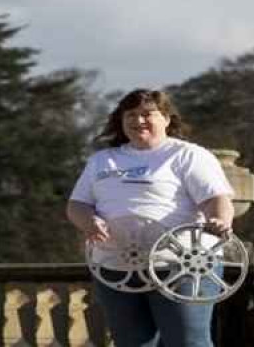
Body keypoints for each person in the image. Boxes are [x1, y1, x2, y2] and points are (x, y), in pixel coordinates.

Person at [66, 89, 234, 347]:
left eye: (147, 114)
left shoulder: (188, 155)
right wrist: (88, 221)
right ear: (121, 121)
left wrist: (220, 220)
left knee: (188, 342)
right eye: (131, 115)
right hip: (115, 267)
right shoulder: (101, 160)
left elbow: (216, 199)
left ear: (166, 118)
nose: (138, 121)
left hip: (181, 266)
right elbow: (77, 204)